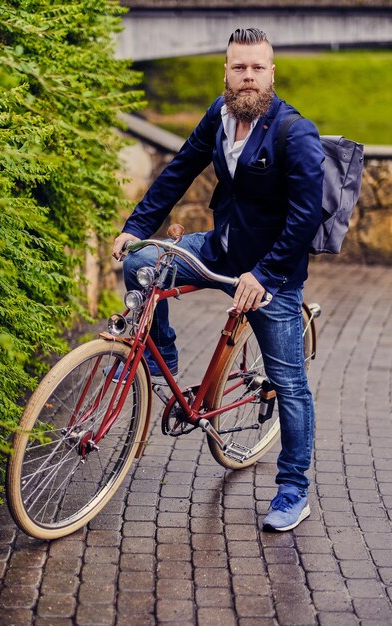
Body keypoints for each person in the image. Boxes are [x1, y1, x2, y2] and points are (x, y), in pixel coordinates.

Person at [112, 27, 324, 532]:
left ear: (271, 72)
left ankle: (294, 489)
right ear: (225, 71)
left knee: (289, 383)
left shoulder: (295, 133)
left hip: (270, 275)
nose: (247, 77)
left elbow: (306, 215)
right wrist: (136, 227)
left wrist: (268, 276)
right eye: (238, 68)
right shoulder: (220, 114)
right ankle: (160, 355)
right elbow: (179, 170)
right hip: (219, 249)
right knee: (140, 264)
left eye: (256, 68)